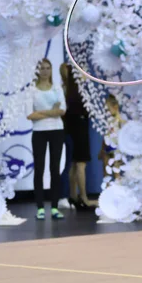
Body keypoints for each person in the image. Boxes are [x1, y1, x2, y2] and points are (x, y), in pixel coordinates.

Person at [26, 58, 66, 220]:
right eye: (42, 68)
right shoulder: (31, 90)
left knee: (54, 169)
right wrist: (51, 111)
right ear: (37, 70)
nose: (45, 71)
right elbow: (30, 114)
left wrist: (41, 114)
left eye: (48, 68)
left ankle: (55, 207)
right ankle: (40, 207)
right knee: (39, 169)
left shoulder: (57, 88)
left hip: (57, 131)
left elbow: (62, 110)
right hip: (39, 132)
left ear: (51, 70)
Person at [59, 63, 93, 211]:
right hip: (79, 126)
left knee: (73, 164)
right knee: (80, 164)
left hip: (69, 128)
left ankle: (73, 195)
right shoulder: (79, 90)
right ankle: (83, 197)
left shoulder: (65, 89)